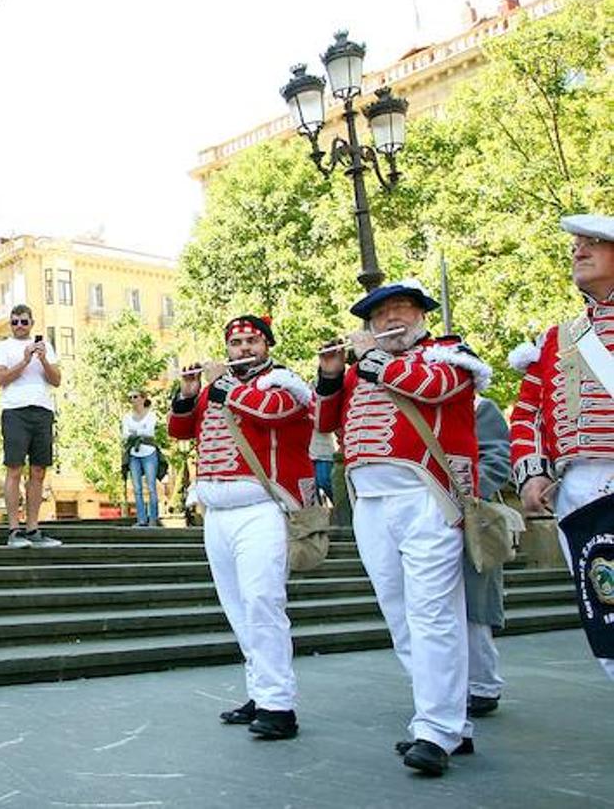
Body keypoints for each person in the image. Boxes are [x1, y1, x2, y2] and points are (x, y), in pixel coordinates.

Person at [315, 279, 487, 777]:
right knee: (400, 614)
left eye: (402, 310)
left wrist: (369, 360)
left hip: (426, 496)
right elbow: (326, 421)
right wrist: (330, 375)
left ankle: (436, 729)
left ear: (422, 317)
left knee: (434, 612)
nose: (391, 320)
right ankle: (448, 723)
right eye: (381, 314)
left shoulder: (449, 354)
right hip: (370, 500)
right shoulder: (358, 370)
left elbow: (431, 390)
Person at [171, 315, 313, 740]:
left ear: (267, 345)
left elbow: (271, 414)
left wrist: (221, 387)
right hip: (216, 511)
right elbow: (180, 430)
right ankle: (262, 691)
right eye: (236, 343)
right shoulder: (216, 389)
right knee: (237, 607)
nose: (243, 349)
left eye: (252, 341)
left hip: (262, 507)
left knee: (262, 603)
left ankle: (279, 704)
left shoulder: (284, 382)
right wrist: (188, 393)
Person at [508, 214, 614, 681]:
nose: (579, 251)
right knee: (604, 611)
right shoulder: (559, 337)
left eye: (594, 243)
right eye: (576, 244)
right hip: (579, 491)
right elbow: (528, 411)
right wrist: (532, 472)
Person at [0, 305, 62, 547]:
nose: (19, 326)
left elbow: (56, 380)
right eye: (14, 322)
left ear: (32, 323)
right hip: (14, 411)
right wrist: (24, 361)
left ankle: (33, 529)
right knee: (14, 469)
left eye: (23, 321)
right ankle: (14, 530)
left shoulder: (46, 347)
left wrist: (42, 359)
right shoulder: (3, 347)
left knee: (39, 471)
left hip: (42, 410)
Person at [466, 396, 511, 718]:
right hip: (424, 515)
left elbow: (497, 457)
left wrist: (466, 493)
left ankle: (483, 684)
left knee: (474, 607)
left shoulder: (479, 407)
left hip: (471, 516)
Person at [122, 391, 161, 527]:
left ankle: (153, 519)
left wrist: (135, 433)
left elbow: (149, 432)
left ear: (143, 398)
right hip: (134, 454)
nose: (133, 399)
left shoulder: (151, 415)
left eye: (135, 396)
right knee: (137, 488)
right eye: (130, 397)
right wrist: (139, 432)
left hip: (149, 453)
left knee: (151, 487)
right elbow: (125, 435)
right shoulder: (127, 417)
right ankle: (141, 519)